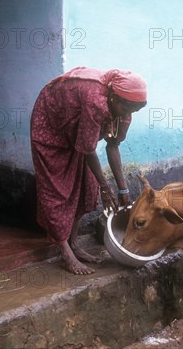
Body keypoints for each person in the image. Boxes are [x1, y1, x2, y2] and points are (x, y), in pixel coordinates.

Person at [30, 67, 147, 275]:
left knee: (87, 185)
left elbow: (113, 146)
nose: (128, 114)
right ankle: (65, 252)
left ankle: (74, 244)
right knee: (57, 189)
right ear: (113, 97)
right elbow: (89, 148)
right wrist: (105, 186)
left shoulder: (125, 108)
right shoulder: (96, 102)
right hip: (51, 125)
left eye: (133, 110)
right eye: (126, 108)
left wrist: (123, 191)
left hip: (78, 133)